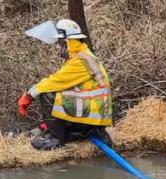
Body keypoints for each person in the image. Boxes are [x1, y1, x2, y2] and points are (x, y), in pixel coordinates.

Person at [17, 19, 113, 150]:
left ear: (67, 41)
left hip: (94, 112)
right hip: (96, 112)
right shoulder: (82, 55)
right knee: (58, 95)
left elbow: (55, 81)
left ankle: (56, 139)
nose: (58, 46)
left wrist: (29, 95)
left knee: (47, 94)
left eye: (59, 42)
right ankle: (84, 130)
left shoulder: (80, 60)